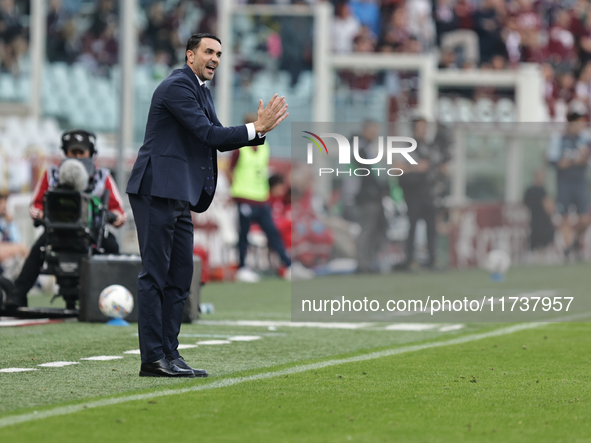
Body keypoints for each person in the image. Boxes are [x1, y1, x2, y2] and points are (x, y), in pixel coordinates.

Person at [126, 33, 288, 378]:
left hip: (178, 194)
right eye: (208, 51)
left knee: (181, 275)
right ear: (190, 55)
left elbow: (215, 135)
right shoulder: (177, 87)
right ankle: (152, 358)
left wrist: (257, 133)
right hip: (156, 189)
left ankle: (171, 353)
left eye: (219, 53)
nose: (215, 58)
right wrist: (255, 128)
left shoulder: (200, 90)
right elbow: (209, 135)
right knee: (155, 274)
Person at [2, 129, 126, 312]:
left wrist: (113, 217)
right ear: (65, 153)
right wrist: (42, 215)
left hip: (92, 234)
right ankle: (17, 295)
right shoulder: (51, 175)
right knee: (37, 250)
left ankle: (117, 296)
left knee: (112, 248)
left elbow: (119, 211)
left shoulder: (102, 178)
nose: (76, 156)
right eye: (72, 152)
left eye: (80, 152)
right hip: (57, 232)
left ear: (91, 154)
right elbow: (35, 205)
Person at [228, 113, 292, 283]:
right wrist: (235, 189)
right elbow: (230, 170)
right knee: (244, 235)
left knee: (273, 233)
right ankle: (242, 268)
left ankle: (287, 266)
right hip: (244, 197)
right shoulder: (239, 147)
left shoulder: (264, 146)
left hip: (261, 197)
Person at [396, 118, 450, 270]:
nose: (424, 130)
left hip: (428, 191)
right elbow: (396, 169)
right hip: (413, 192)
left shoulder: (429, 147)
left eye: (425, 127)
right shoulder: (407, 146)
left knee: (432, 225)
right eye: (421, 127)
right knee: (412, 225)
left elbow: (436, 166)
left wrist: (441, 169)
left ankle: (432, 258)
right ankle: (410, 259)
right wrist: (416, 168)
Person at [547, 110, 591, 261]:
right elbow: (556, 162)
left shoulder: (585, 139)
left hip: (580, 183)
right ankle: (567, 251)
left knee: (585, 219)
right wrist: (575, 161)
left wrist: (575, 161)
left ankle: (575, 243)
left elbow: (585, 161)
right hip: (564, 183)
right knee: (564, 217)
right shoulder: (558, 138)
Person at [352, 121, 390, 273]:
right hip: (368, 197)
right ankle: (363, 264)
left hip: (373, 196)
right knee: (367, 231)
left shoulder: (366, 148)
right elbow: (366, 174)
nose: (375, 134)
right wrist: (379, 188)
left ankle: (370, 262)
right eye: (373, 130)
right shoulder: (360, 148)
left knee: (375, 230)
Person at [523, 169, 555, 262]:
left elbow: (525, 203)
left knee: (536, 245)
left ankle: (538, 261)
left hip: (534, 221)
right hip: (543, 222)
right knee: (543, 245)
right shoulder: (542, 191)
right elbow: (548, 207)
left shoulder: (529, 190)